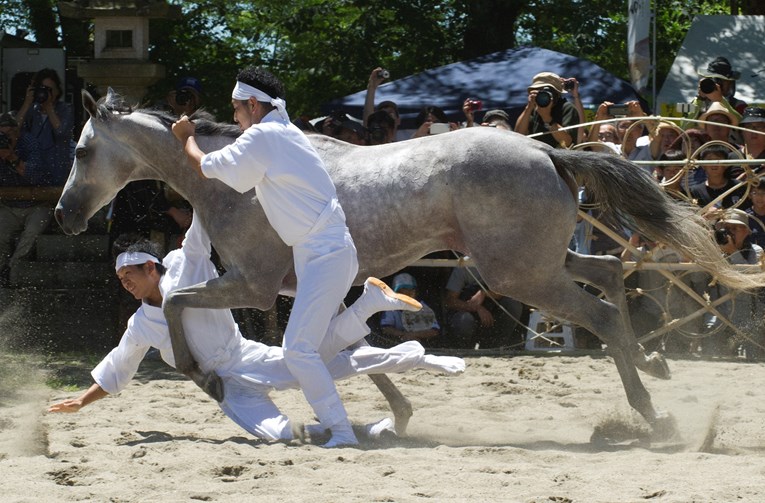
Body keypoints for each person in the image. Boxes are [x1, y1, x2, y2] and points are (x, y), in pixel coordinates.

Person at [48, 217, 465, 444]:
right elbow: (119, 366)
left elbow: (198, 232)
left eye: (130, 272)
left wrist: (198, 178)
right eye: (119, 277)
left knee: (325, 364)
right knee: (280, 435)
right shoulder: (140, 323)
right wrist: (83, 401)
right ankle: (371, 426)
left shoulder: (183, 271)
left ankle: (412, 352)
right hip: (225, 390)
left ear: (151, 267)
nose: (125, 281)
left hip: (241, 355)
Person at [170, 65, 398, 447]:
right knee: (309, 348)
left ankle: (341, 431)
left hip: (324, 252)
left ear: (254, 105)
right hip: (321, 251)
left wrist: (186, 137)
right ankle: (369, 306)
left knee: (298, 351)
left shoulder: (265, 135)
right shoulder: (282, 132)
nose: (234, 116)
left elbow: (206, 168)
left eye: (237, 108)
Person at [0, 112, 51, 286]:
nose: (5, 139)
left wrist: (13, 158)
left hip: (36, 203)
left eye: (8, 135)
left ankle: (12, 268)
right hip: (9, 205)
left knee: (31, 233)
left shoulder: (29, 143)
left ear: (16, 132)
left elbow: (34, 178)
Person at [14, 67, 74, 186]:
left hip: (57, 170)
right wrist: (27, 103)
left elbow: (61, 132)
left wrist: (49, 108)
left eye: (49, 89)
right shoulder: (32, 111)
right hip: (33, 172)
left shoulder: (65, 109)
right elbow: (13, 131)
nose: (44, 93)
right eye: (42, 89)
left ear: (57, 91)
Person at [443, 266, 524, 349]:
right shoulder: (465, 266)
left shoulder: (500, 263)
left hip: (491, 316)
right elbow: (449, 301)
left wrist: (484, 293)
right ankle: (464, 350)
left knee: (513, 305)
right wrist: (477, 308)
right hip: (467, 311)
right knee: (464, 320)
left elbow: (508, 291)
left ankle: (495, 348)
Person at [514, 72, 579, 149]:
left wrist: (547, 118)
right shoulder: (534, 108)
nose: (543, 94)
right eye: (538, 91)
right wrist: (529, 107)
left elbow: (566, 142)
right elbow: (518, 136)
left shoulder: (567, 108)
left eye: (547, 91)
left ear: (556, 93)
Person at [379, 273, 440, 345]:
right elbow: (385, 328)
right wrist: (403, 335)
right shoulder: (391, 308)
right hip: (397, 344)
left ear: (415, 292)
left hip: (423, 344)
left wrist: (414, 335)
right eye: (403, 291)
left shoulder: (422, 307)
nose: (408, 294)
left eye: (411, 290)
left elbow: (434, 331)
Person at [689, 144, 747, 211]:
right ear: (703, 165)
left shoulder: (738, 187)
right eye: (709, 160)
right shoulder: (695, 191)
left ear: (726, 164)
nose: (714, 164)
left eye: (718, 160)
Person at [687, 57, 747, 121]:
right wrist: (699, 99)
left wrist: (720, 100)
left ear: (730, 83)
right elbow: (684, 126)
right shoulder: (692, 103)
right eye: (713, 80)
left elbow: (742, 125)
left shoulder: (740, 105)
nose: (718, 84)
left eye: (722, 80)